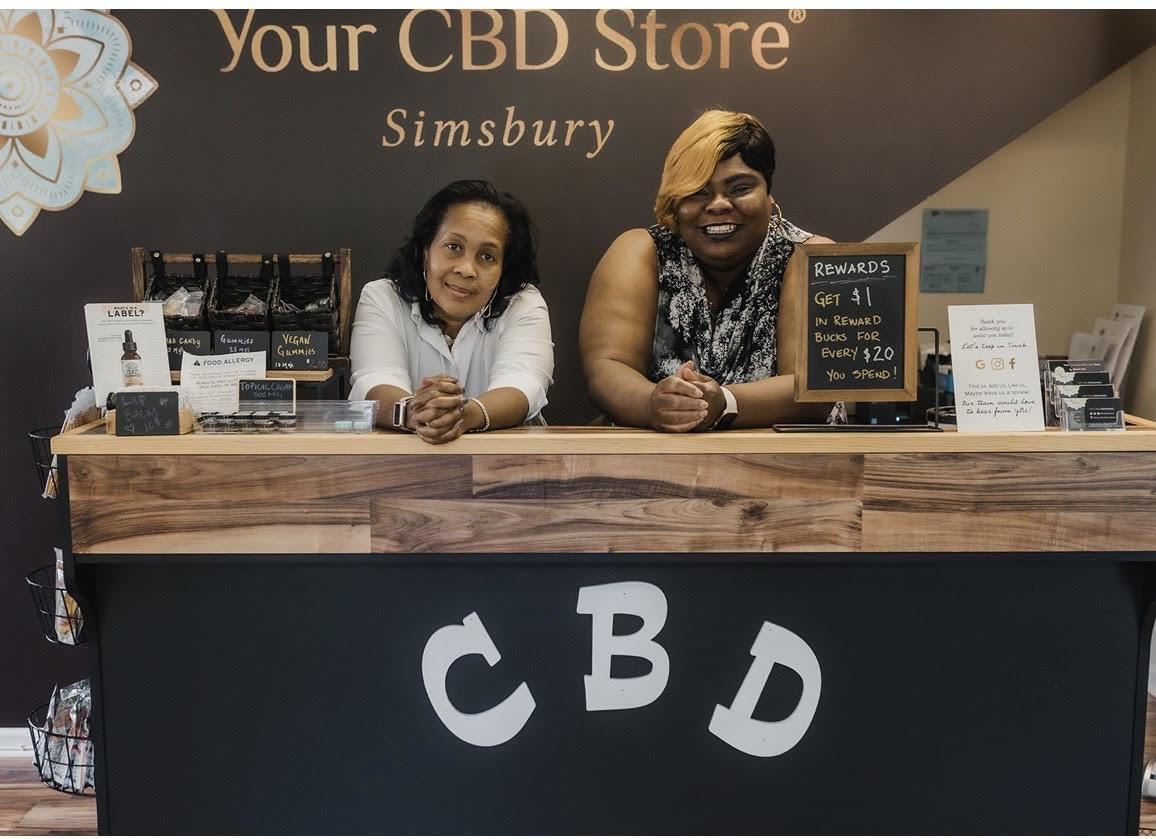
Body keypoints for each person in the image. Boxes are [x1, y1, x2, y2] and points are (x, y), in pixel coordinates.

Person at [580, 110, 838, 431]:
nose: (717, 204)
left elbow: (817, 387)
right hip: (649, 463)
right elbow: (607, 368)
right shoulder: (639, 251)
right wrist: (653, 403)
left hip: (783, 466)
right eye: (698, 191)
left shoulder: (808, 255)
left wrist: (723, 403)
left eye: (740, 188)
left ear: (769, 195)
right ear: (675, 201)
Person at [349, 180, 554, 443]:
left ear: (504, 269)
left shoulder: (523, 303)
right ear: (426, 251)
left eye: (487, 256)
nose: (467, 269)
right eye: (453, 247)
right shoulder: (383, 298)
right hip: (400, 467)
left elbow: (523, 386)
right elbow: (373, 381)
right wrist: (412, 412)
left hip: (506, 467)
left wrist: (466, 415)